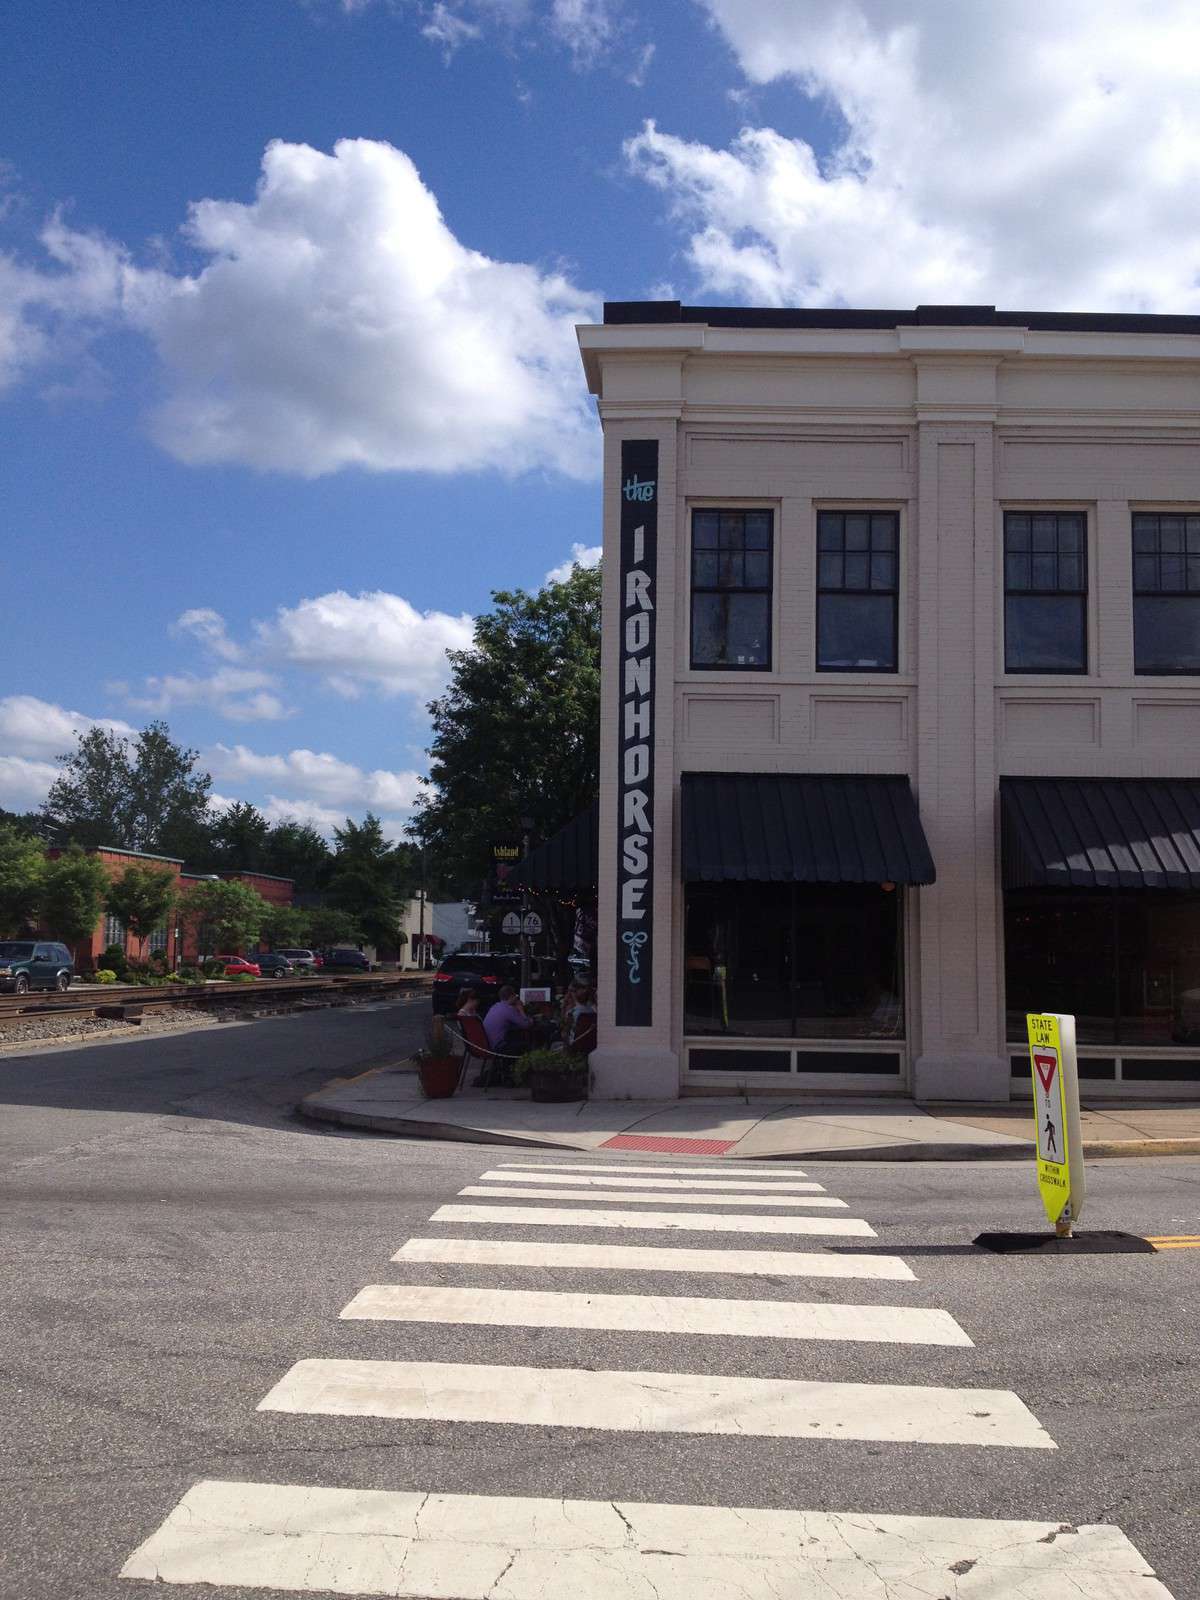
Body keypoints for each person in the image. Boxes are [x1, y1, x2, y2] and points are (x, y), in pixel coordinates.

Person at [484, 985, 534, 1055]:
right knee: (528, 1045)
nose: (516, 998)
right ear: (511, 996)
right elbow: (526, 1025)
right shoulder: (509, 1009)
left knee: (516, 1036)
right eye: (515, 995)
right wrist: (521, 1010)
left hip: (488, 1044)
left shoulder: (495, 1006)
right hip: (499, 1046)